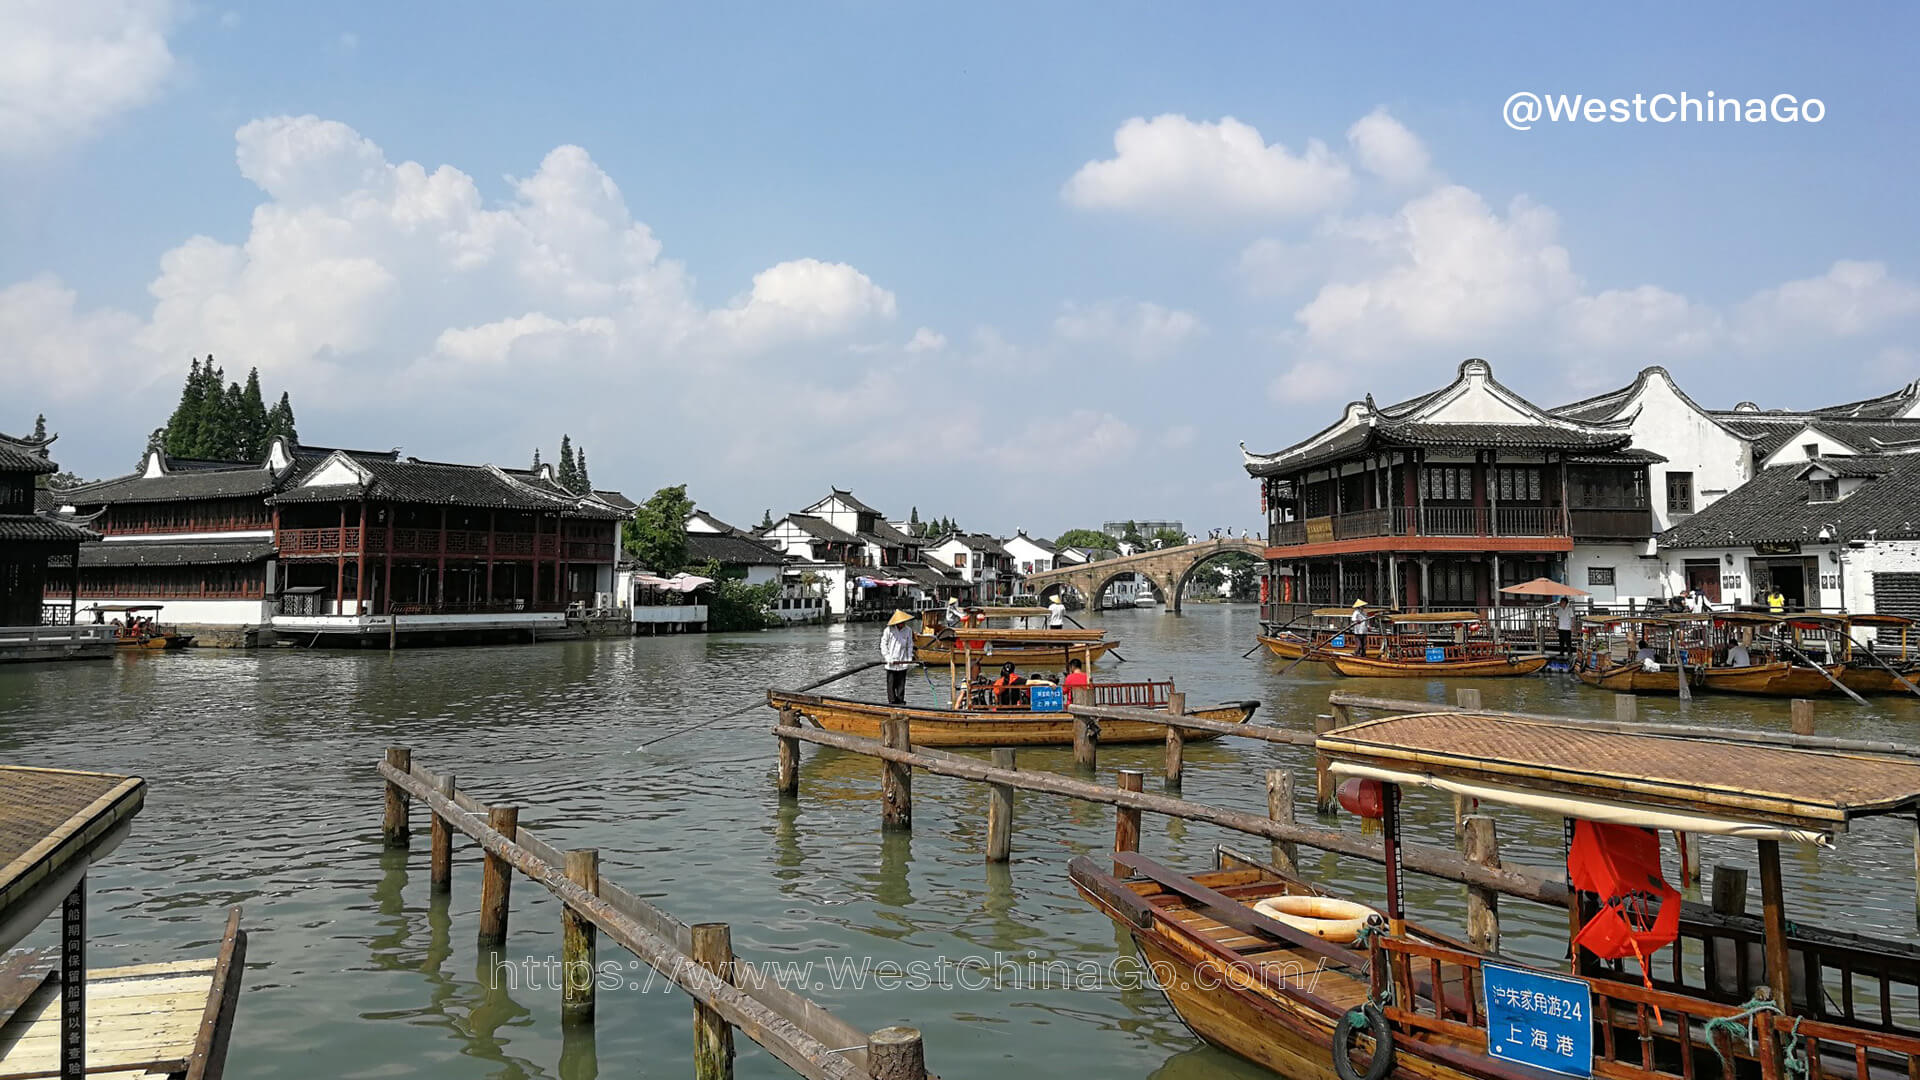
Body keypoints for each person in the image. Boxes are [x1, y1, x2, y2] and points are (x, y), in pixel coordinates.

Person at [880, 610, 916, 705]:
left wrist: (909, 658)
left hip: (902, 662)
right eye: (900, 622)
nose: (902, 624)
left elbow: (909, 645)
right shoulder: (889, 630)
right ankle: (892, 703)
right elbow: (883, 644)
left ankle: (900, 703)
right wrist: (887, 657)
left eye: (903, 622)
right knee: (891, 686)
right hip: (891, 663)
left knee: (901, 687)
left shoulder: (908, 630)